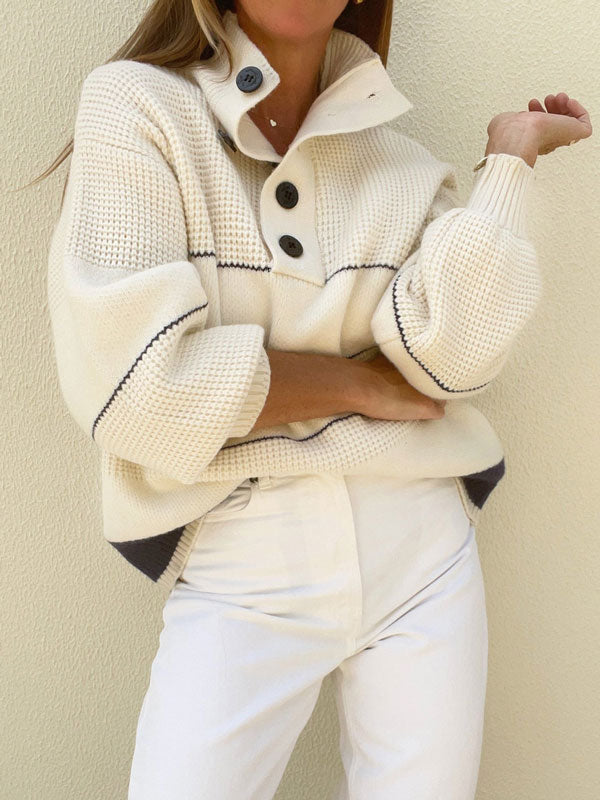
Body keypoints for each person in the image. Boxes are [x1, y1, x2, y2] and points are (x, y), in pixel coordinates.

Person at [42, 0, 592, 797]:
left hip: (423, 552)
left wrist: (507, 163)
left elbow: (451, 366)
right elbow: (139, 391)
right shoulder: (140, 106)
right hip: (244, 551)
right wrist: (360, 383)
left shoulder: (401, 163)